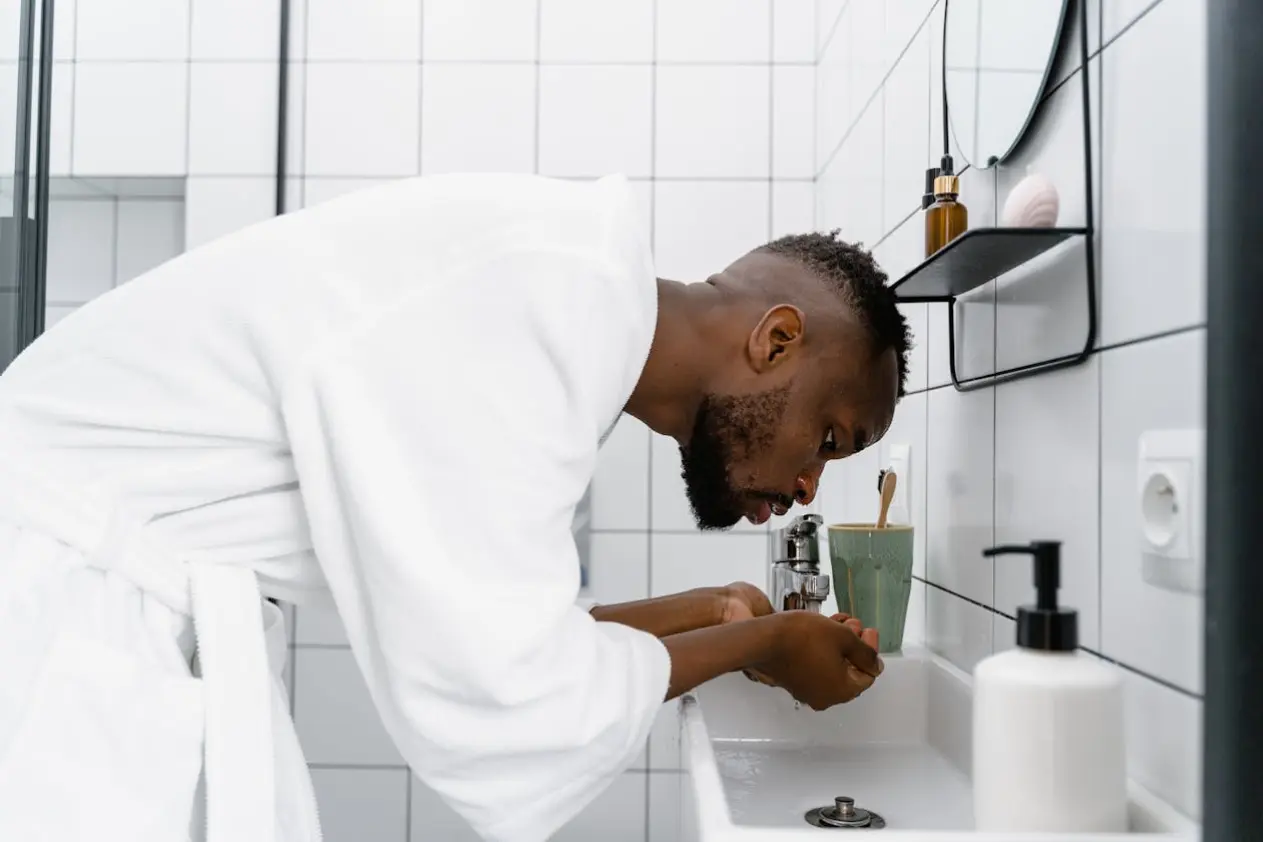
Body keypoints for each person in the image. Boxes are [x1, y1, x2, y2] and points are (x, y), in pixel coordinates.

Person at [0, 174, 909, 842]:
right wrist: (759, 643)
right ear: (774, 339)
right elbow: (509, 700)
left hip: (94, 591)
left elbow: (496, 636)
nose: (809, 487)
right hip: (49, 606)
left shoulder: (565, 306)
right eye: (829, 438)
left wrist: (710, 614)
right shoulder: (533, 311)